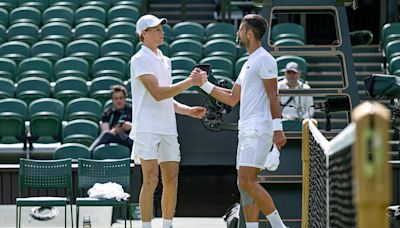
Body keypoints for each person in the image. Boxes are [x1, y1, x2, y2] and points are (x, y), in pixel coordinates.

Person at [196, 14, 288, 228]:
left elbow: (273, 95)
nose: (237, 33)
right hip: (246, 129)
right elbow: (232, 97)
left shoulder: (265, 59)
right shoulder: (249, 63)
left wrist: (278, 129)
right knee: (243, 184)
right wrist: (203, 84)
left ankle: (280, 227)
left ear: (249, 33)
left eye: (240, 29)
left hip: (258, 129)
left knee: (247, 181)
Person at [129, 14, 207, 228]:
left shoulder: (166, 60)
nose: (162, 32)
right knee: (150, 180)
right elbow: (157, 93)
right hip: (147, 128)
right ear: (144, 34)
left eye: (161, 29)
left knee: (172, 180)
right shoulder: (139, 59)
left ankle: (167, 225)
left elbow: (167, 98)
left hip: (168, 128)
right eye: (156, 29)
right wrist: (191, 82)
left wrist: (187, 110)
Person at [88, 85, 133, 152]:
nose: (118, 101)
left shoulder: (132, 110)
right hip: (113, 138)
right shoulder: (108, 112)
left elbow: (140, 127)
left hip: (129, 139)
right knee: (107, 134)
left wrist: (130, 126)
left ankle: (88, 154)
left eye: (121, 98)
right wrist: (115, 131)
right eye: (116, 98)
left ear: (125, 98)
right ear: (112, 100)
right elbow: (105, 131)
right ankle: (90, 153)